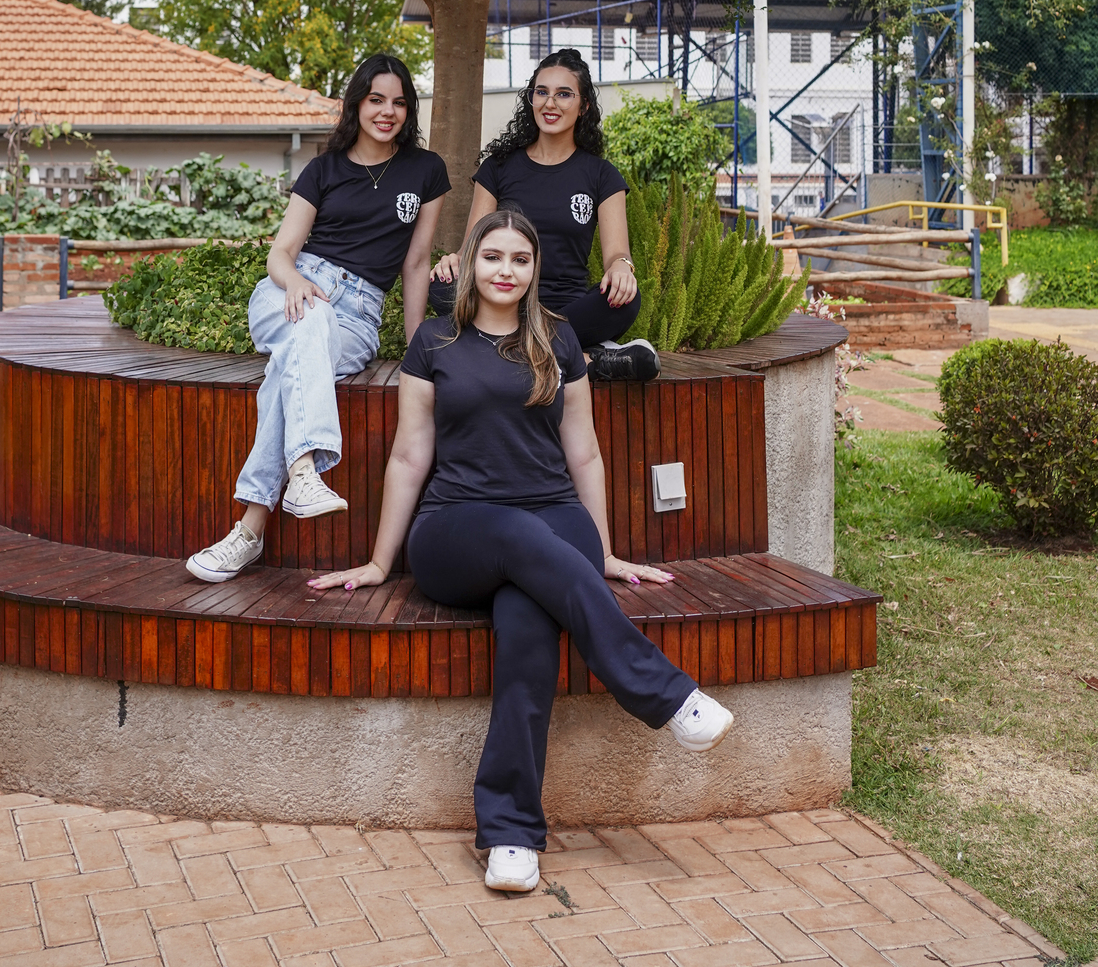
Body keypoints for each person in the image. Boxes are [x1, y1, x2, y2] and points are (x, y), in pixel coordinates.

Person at [308, 208, 734, 892]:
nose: (505, 270)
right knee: (517, 535)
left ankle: (510, 836)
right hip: (456, 529)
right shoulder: (434, 341)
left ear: (535, 270)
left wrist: (604, 551)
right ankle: (667, 694)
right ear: (471, 263)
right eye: (493, 256)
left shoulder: (559, 338)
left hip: (554, 519)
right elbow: (410, 456)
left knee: (530, 627)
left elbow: (583, 451)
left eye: (520, 259)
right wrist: (381, 562)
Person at [186, 54, 449, 583]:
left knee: (290, 367)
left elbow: (416, 262)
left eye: (399, 102)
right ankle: (303, 471)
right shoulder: (323, 169)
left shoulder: (426, 170)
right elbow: (280, 253)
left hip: (358, 316)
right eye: (376, 100)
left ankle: (250, 531)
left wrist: (416, 343)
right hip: (292, 290)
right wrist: (297, 282)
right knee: (308, 321)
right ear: (357, 104)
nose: (388, 112)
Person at [431, 46, 656, 378]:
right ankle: (588, 361)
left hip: (569, 308)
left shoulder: (602, 175)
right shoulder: (498, 168)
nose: (550, 103)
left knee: (625, 298)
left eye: (564, 94)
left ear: (584, 106)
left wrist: (622, 266)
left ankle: (508, 347)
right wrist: (454, 260)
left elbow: (616, 252)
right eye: (542, 92)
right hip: (503, 297)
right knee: (441, 286)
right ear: (531, 99)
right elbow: (473, 248)